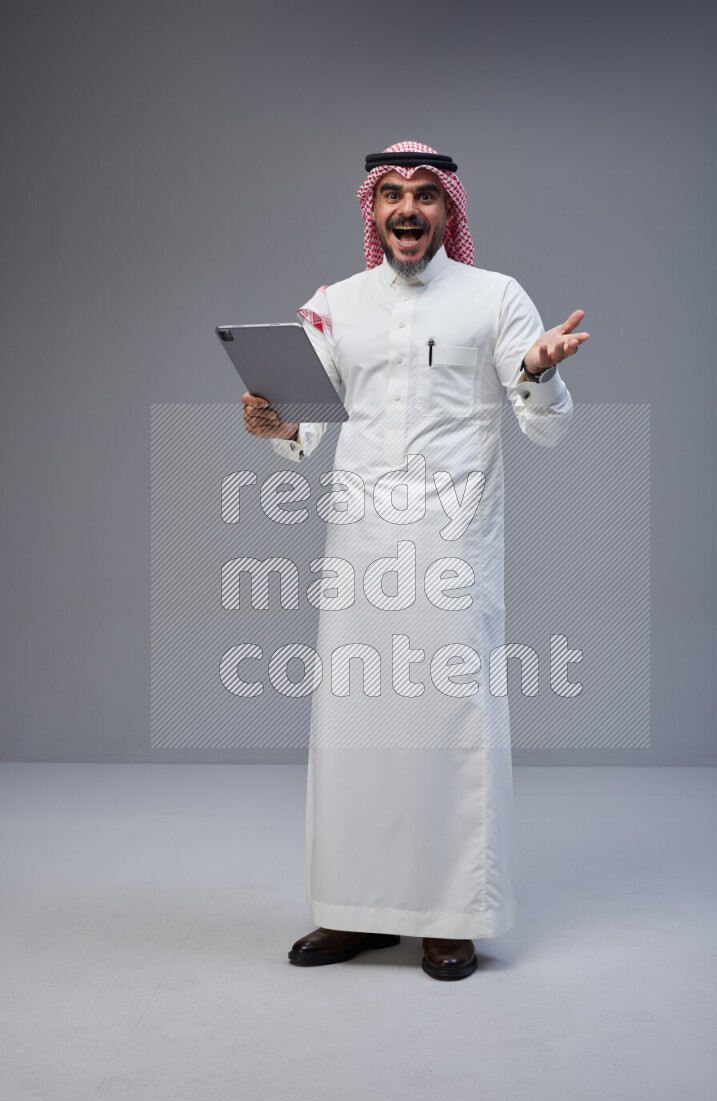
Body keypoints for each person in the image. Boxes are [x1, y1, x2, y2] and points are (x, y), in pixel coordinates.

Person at [241, 141, 589, 980]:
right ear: (370, 209)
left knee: (448, 727)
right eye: (391, 194)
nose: (406, 209)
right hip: (360, 543)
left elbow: (546, 424)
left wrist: (537, 371)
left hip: (450, 542)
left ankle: (450, 916)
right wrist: (277, 424)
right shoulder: (334, 305)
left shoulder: (495, 298)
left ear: (448, 211)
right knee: (355, 729)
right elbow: (310, 424)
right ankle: (352, 912)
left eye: (424, 195)